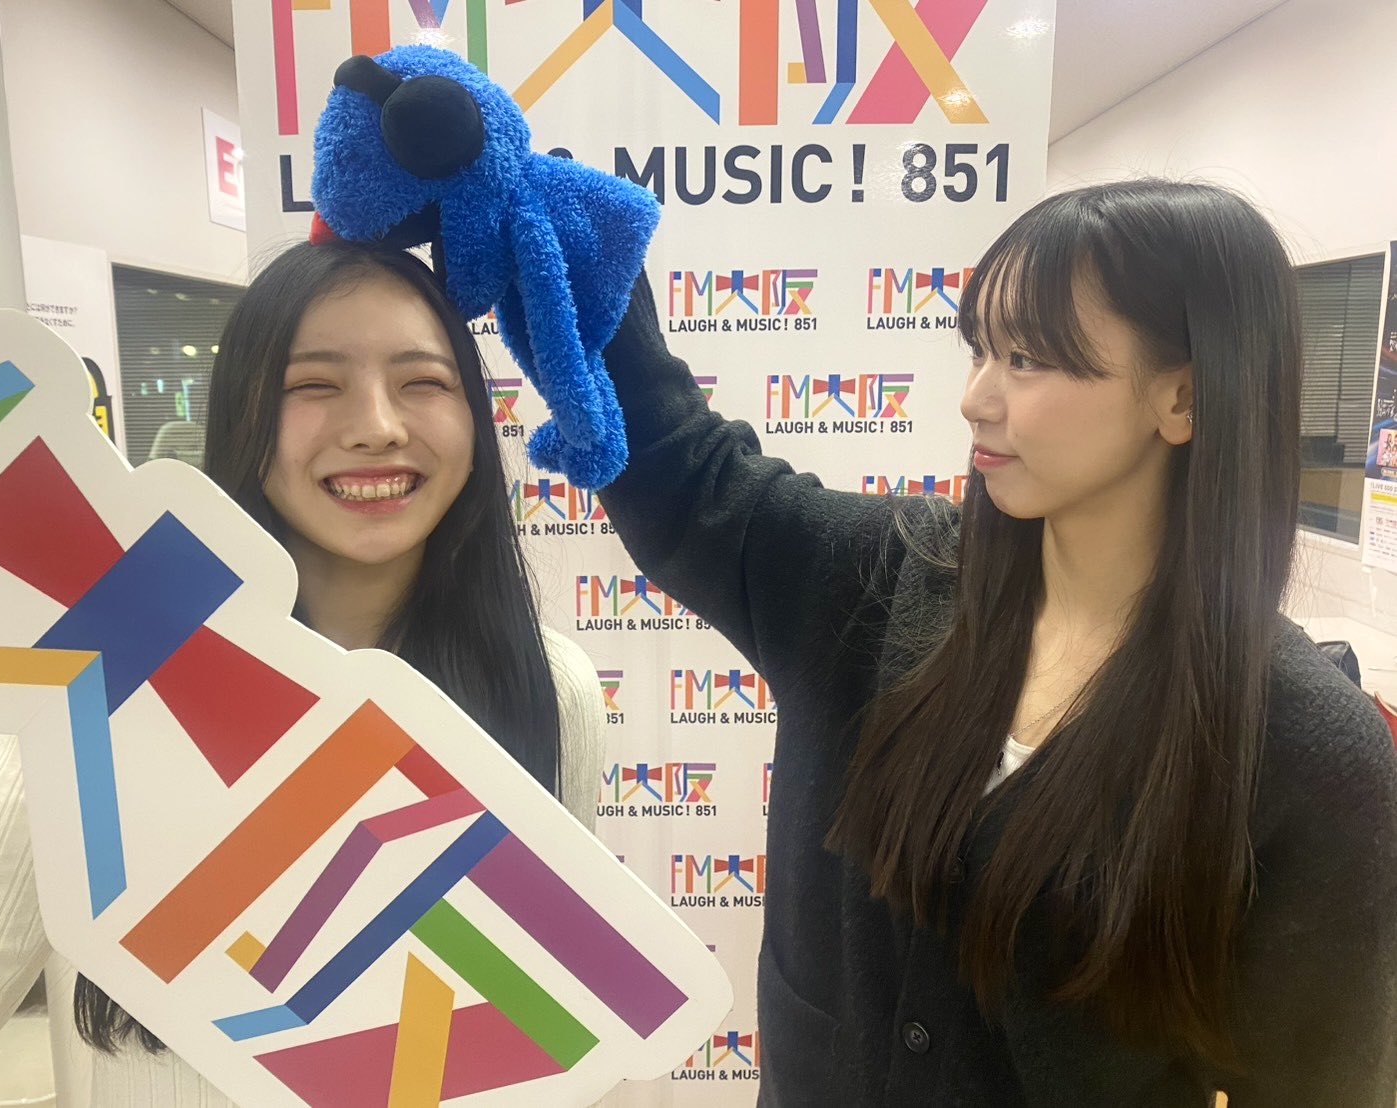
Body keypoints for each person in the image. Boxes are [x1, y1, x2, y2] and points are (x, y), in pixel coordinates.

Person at [592, 180, 1397, 1104]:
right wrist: (570, 245)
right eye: (979, 349)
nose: (975, 398)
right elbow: (685, 473)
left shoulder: (1304, 750)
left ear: (1182, 397)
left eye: (1026, 358)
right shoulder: (876, 581)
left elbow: (1318, 1082)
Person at [0, 240, 606, 1103]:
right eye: (313, 384)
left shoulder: (548, 687)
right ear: (242, 414)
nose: (376, 426)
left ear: (474, 419)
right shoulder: (111, 656)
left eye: (422, 382)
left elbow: (544, 1028)